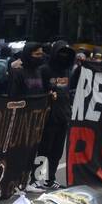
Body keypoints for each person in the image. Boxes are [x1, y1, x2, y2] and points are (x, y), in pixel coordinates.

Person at [34, 40, 77, 191]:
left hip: (63, 116)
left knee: (57, 151)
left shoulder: (67, 71)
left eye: (67, 53)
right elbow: (37, 91)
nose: (64, 56)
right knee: (44, 150)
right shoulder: (44, 70)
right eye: (61, 53)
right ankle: (36, 179)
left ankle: (50, 179)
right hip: (48, 118)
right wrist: (47, 95)